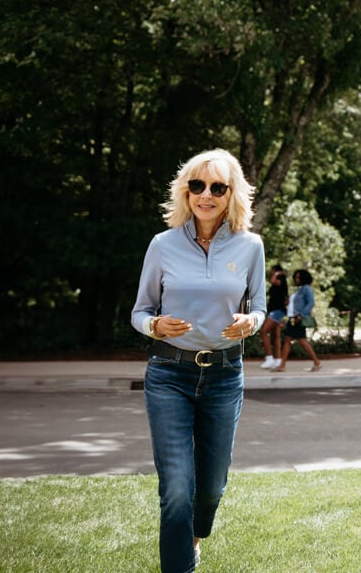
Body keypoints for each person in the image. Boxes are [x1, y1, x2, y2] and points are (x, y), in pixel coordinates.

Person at [131, 148, 267, 572]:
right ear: (185, 191)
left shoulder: (250, 246)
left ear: (231, 195)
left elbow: (261, 307)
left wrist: (252, 322)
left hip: (225, 376)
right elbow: (139, 312)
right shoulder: (162, 244)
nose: (205, 195)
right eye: (197, 185)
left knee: (210, 487)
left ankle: (193, 537)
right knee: (176, 486)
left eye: (217, 187)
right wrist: (154, 327)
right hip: (169, 374)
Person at [276, 269, 322, 372]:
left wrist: (301, 315)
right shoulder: (299, 290)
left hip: (298, 318)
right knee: (289, 340)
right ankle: (282, 366)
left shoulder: (306, 289)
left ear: (303, 278)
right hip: (292, 318)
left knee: (301, 341)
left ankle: (317, 362)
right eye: (295, 277)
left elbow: (311, 303)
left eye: (298, 277)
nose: (296, 279)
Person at [258, 265, 288, 369]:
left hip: (277, 311)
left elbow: (272, 281)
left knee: (263, 331)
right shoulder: (280, 281)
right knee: (276, 336)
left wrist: (276, 274)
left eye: (272, 270)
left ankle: (269, 358)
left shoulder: (281, 280)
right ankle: (278, 360)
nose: (270, 272)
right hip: (274, 310)